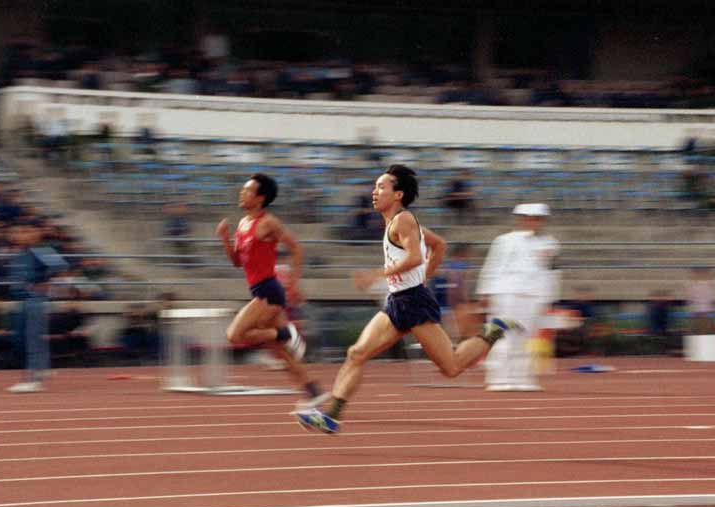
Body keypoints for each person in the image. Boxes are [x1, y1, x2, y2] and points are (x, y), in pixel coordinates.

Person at [294, 164, 516, 434]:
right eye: (374, 187)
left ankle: (491, 332)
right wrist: (424, 276)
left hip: (414, 303)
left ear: (397, 194)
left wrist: (379, 274)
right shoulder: (397, 222)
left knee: (452, 367)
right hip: (397, 301)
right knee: (357, 353)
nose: (374, 193)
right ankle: (331, 416)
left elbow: (413, 257)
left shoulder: (404, 220)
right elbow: (439, 245)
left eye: (380, 187)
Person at [216, 173, 327, 406]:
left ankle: (284, 333)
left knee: (234, 335)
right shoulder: (243, 224)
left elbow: (296, 248)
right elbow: (237, 261)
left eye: (247, 191)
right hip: (259, 290)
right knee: (279, 351)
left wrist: (293, 283)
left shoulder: (268, 222)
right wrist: (225, 239)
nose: (241, 193)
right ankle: (314, 390)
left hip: (269, 290)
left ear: (260, 198)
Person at [476, 203, 559, 391]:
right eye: (530, 218)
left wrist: (548, 298)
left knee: (525, 338)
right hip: (506, 293)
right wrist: (484, 292)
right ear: (521, 219)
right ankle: (498, 379)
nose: (534, 222)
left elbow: (550, 272)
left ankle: (522, 378)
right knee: (502, 336)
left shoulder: (550, 243)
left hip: (534, 295)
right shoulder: (504, 240)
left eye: (538, 219)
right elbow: (492, 266)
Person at [6, 222, 68, 392]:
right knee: (21, 339)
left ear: (36, 234)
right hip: (21, 301)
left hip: (35, 300)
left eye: (24, 231)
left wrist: (47, 284)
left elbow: (61, 267)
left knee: (33, 339)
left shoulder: (41, 250)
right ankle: (40, 370)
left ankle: (34, 380)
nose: (18, 235)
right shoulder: (19, 254)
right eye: (17, 231)